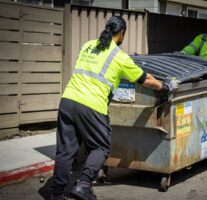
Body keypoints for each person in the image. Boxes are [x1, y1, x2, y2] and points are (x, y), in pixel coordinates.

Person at [51, 16, 179, 200]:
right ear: (121, 33)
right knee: (101, 147)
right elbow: (146, 80)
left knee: (65, 150)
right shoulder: (119, 56)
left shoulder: (87, 45)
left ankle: (56, 194)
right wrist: (165, 87)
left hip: (68, 100)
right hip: (92, 105)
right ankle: (84, 184)